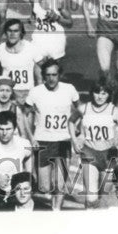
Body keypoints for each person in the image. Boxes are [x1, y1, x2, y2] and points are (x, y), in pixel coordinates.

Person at [25, 59, 81, 211]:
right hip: (43, 141)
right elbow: (24, 115)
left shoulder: (69, 89)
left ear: (60, 75)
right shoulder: (35, 92)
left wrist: (78, 129)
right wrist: (30, 138)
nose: (51, 78)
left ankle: (56, 211)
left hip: (63, 140)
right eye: (48, 75)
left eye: (54, 75)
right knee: (44, 186)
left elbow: (81, 110)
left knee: (60, 184)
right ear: (43, 76)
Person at [73, 79, 118, 208]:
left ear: (109, 95)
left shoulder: (114, 111)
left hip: (109, 157)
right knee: (91, 198)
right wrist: (75, 139)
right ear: (92, 93)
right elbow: (70, 122)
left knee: (103, 196)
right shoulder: (84, 108)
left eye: (104, 93)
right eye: (97, 92)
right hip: (90, 154)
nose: (100, 97)